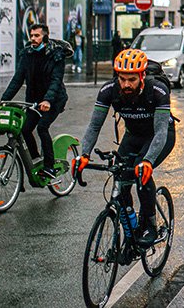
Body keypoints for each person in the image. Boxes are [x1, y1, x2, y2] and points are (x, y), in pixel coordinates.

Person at [75, 49, 176, 247]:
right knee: (120, 179)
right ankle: (130, 227)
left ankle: (149, 224)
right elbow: (95, 126)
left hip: (159, 135)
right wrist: (84, 154)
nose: (126, 84)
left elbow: (161, 131)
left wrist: (147, 161)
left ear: (142, 75)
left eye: (132, 79)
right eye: (122, 79)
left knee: (141, 171)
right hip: (133, 135)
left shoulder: (158, 91)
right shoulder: (108, 90)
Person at [0, 23, 68, 178]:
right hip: (34, 101)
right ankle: (37, 159)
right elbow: (17, 79)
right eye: (31, 35)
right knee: (24, 129)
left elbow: (55, 80)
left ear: (45, 36)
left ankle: (50, 167)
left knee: (42, 127)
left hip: (54, 99)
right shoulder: (27, 54)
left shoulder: (56, 55)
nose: (33, 39)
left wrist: (48, 100)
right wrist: (4, 100)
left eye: (37, 35)